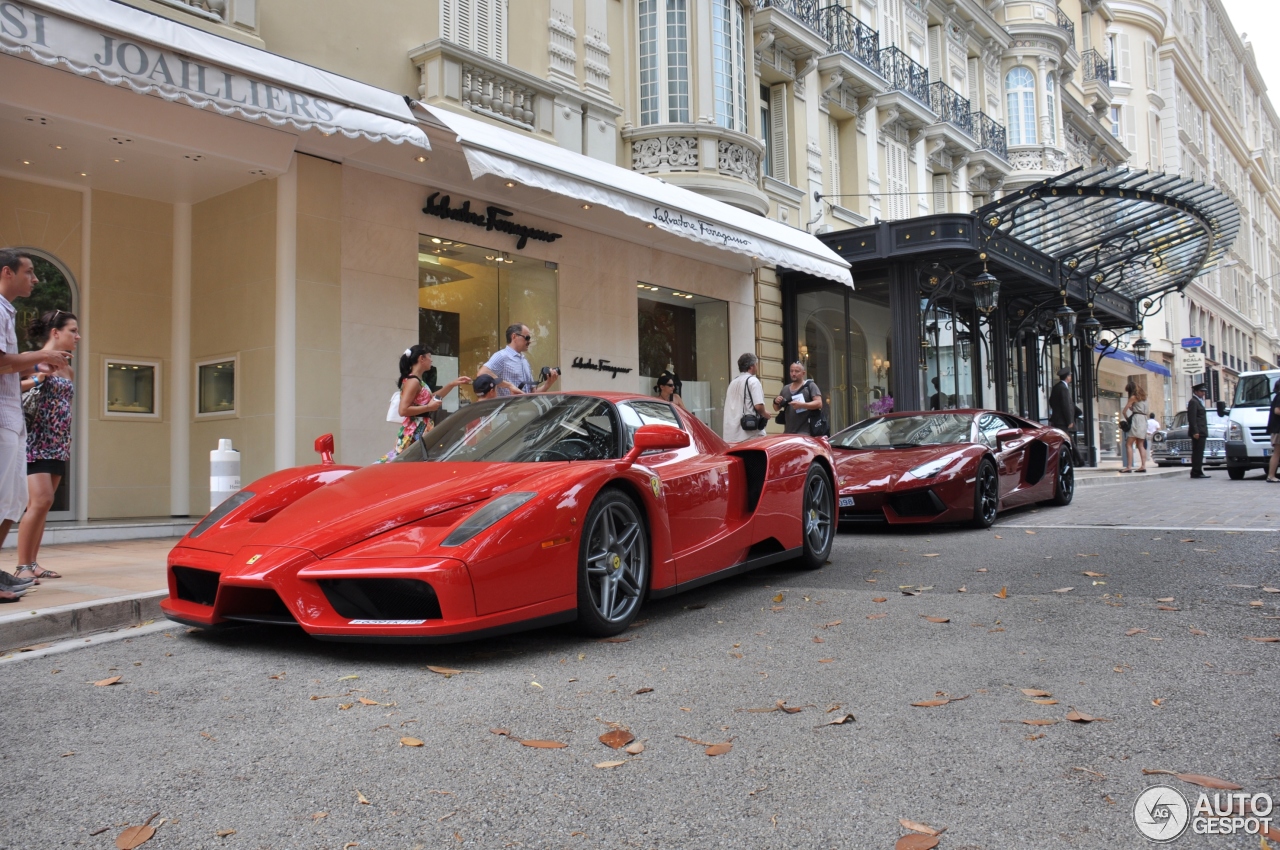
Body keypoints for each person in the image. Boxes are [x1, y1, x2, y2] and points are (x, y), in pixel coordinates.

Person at [0, 250, 70, 601]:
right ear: (7, 272)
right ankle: (22, 565)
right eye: (29, 272)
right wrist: (41, 361)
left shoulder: (6, 312)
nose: (36, 279)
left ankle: (17, 568)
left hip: (36, 432)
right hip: (20, 430)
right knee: (21, 500)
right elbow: (4, 366)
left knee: (16, 502)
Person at [15, 310, 79, 582]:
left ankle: (33, 562)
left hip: (58, 441)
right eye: (72, 330)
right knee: (40, 501)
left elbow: (66, 405)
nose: (78, 336)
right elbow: (12, 387)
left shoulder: (69, 369)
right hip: (34, 439)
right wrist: (39, 377)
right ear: (56, 333)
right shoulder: (34, 361)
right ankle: (21, 566)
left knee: (44, 504)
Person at [379, 345, 469, 462]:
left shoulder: (417, 380)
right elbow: (403, 410)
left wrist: (452, 384)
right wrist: (428, 407)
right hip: (416, 430)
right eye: (429, 357)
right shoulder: (414, 381)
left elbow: (432, 397)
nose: (431, 360)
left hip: (419, 428)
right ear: (421, 358)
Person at [478, 323, 559, 397]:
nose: (529, 341)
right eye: (527, 338)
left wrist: (548, 384)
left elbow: (533, 393)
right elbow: (482, 373)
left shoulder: (524, 361)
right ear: (514, 337)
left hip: (526, 409)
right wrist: (509, 385)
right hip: (509, 410)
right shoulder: (502, 355)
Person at [722, 352, 766, 443]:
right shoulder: (753, 381)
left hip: (731, 435)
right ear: (751, 366)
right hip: (749, 434)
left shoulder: (733, 382)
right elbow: (758, 406)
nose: (757, 367)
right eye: (756, 364)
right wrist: (766, 414)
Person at [774, 361, 823, 435]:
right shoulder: (785, 388)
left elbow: (819, 403)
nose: (793, 374)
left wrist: (802, 405)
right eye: (791, 371)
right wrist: (776, 401)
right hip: (788, 432)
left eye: (797, 371)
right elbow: (776, 408)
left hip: (806, 432)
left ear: (803, 373)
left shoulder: (810, 386)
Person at [1121, 381, 1148, 473]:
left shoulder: (1133, 397)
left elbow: (1124, 411)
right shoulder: (1144, 398)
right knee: (1140, 444)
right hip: (1144, 420)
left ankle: (1128, 467)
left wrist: (1128, 420)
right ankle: (1143, 466)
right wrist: (1134, 409)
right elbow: (1141, 409)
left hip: (1136, 420)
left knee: (1128, 444)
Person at [1187, 382, 1210, 479]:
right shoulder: (1193, 401)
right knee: (1197, 452)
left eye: (1204, 391)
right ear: (1196, 391)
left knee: (1199, 452)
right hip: (1198, 432)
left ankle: (1197, 470)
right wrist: (1195, 431)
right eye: (1201, 391)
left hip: (1202, 431)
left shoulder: (1199, 401)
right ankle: (1196, 471)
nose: (1203, 393)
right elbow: (1192, 418)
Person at [1048, 368, 1075, 432]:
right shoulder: (1063, 388)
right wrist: (1069, 421)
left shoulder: (1056, 387)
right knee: (1067, 440)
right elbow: (1066, 405)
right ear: (1067, 377)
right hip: (1062, 422)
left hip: (1057, 420)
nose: (1071, 377)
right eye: (1070, 376)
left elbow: (1051, 401)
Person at [1266, 377, 1280, 483]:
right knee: (1277, 453)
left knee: (1277, 453)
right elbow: (1277, 410)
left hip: (1277, 429)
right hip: (1278, 430)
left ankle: (1271, 475)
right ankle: (1271, 475)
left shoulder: (1277, 396)